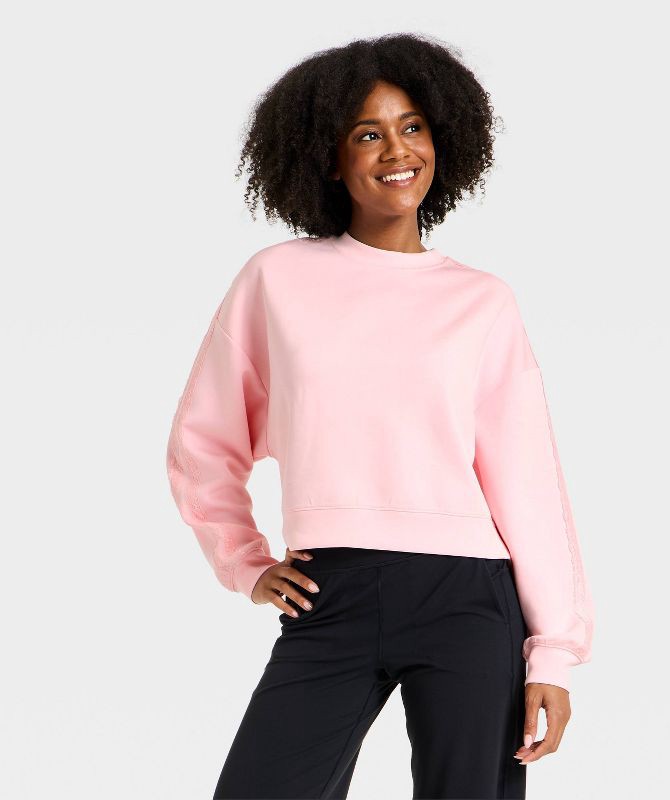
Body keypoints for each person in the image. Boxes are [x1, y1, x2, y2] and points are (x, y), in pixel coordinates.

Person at [166, 32, 594, 800]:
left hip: (470, 596)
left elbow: (530, 487)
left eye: (413, 127)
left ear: (442, 139)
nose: (397, 150)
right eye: (367, 133)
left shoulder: (482, 301)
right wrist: (246, 562)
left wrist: (553, 654)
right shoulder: (276, 280)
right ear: (330, 159)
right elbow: (204, 440)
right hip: (329, 589)